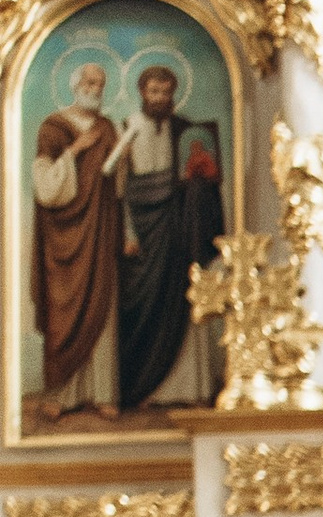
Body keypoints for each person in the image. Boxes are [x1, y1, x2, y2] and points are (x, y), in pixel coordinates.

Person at [113, 62, 224, 411]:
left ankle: (186, 389)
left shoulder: (184, 130)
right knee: (143, 305)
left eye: (165, 92)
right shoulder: (129, 127)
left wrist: (198, 187)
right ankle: (145, 388)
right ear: (143, 93)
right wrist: (129, 231)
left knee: (182, 299)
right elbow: (120, 185)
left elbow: (201, 177)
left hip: (178, 231)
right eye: (153, 91)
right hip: (145, 230)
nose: (160, 98)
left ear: (173, 94)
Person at [31, 56, 122, 421]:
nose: (94, 89)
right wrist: (75, 150)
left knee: (103, 305)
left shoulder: (107, 127)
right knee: (62, 312)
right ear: (75, 85)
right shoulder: (53, 127)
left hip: (100, 232)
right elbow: (45, 186)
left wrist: (121, 160)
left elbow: (115, 185)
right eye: (88, 82)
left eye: (100, 83)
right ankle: (60, 394)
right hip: (62, 237)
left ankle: (102, 393)